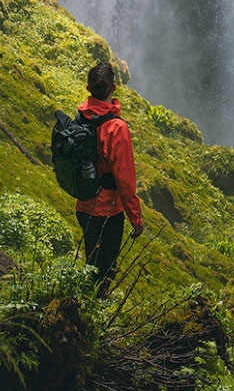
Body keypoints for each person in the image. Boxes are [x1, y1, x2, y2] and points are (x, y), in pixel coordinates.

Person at [75, 60, 143, 294]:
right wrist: (135, 218)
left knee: (91, 264)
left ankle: (84, 308)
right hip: (107, 211)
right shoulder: (116, 128)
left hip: (83, 204)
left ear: (88, 88)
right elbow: (125, 180)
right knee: (104, 272)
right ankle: (92, 317)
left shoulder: (82, 115)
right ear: (113, 88)